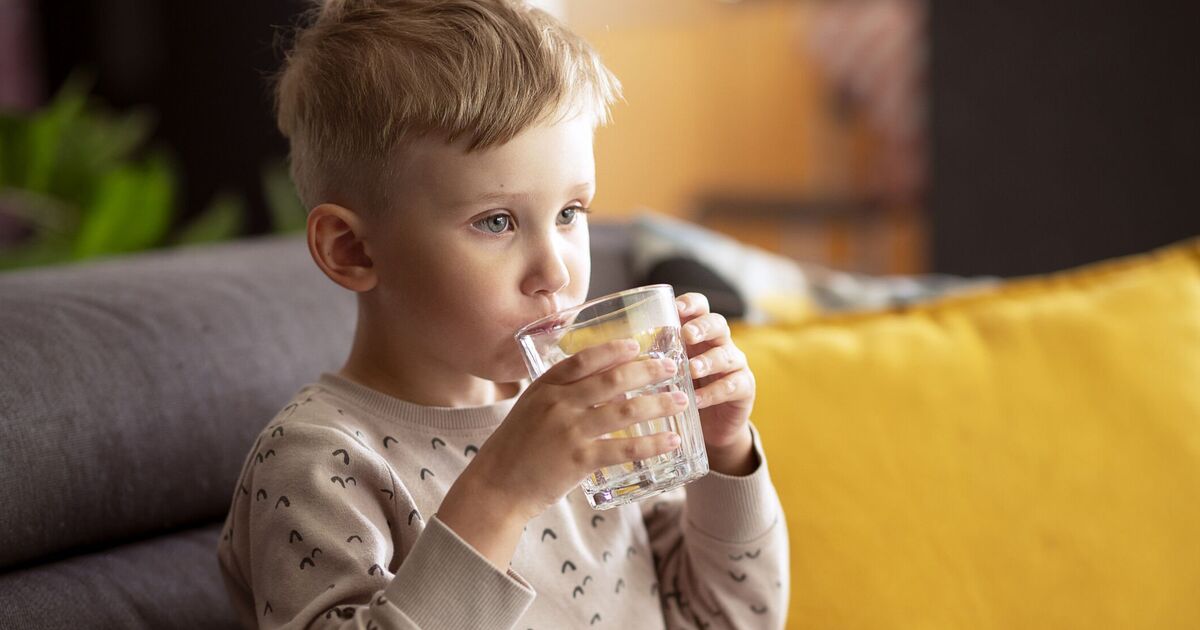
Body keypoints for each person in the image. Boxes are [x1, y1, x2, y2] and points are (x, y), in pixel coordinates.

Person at [216, 1, 789, 627]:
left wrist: (724, 456)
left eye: (571, 213)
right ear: (352, 250)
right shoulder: (316, 464)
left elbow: (731, 618)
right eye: (497, 221)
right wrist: (504, 493)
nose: (557, 272)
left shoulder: (587, 419)